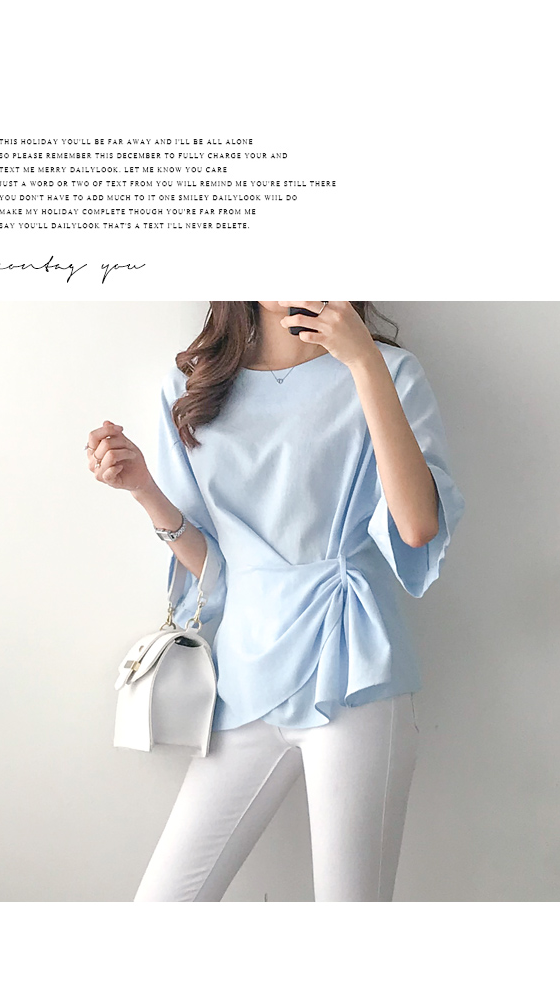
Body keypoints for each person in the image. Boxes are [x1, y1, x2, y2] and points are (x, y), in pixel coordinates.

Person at [87, 298, 462, 903]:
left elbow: (416, 527)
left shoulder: (390, 370)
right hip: (245, 674)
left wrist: (363, 360)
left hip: (352, 671)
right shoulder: (191, 388)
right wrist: (144, 490)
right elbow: (219, 569)